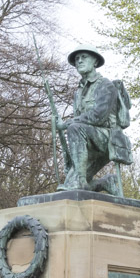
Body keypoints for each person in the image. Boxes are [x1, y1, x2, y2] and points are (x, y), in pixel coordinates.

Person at [56, 45, 132, 195]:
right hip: (88, 140)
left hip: (107, 138)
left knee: (75, 128)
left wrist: (68, 124)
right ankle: (103, 183)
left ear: (95, 62)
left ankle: (80, 179)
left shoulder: (105, 85)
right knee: (69, 185)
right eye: (77, 59)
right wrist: (59, 125)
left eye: (84, 57)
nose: (79, 61)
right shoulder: (78, 92)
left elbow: (98, 116)